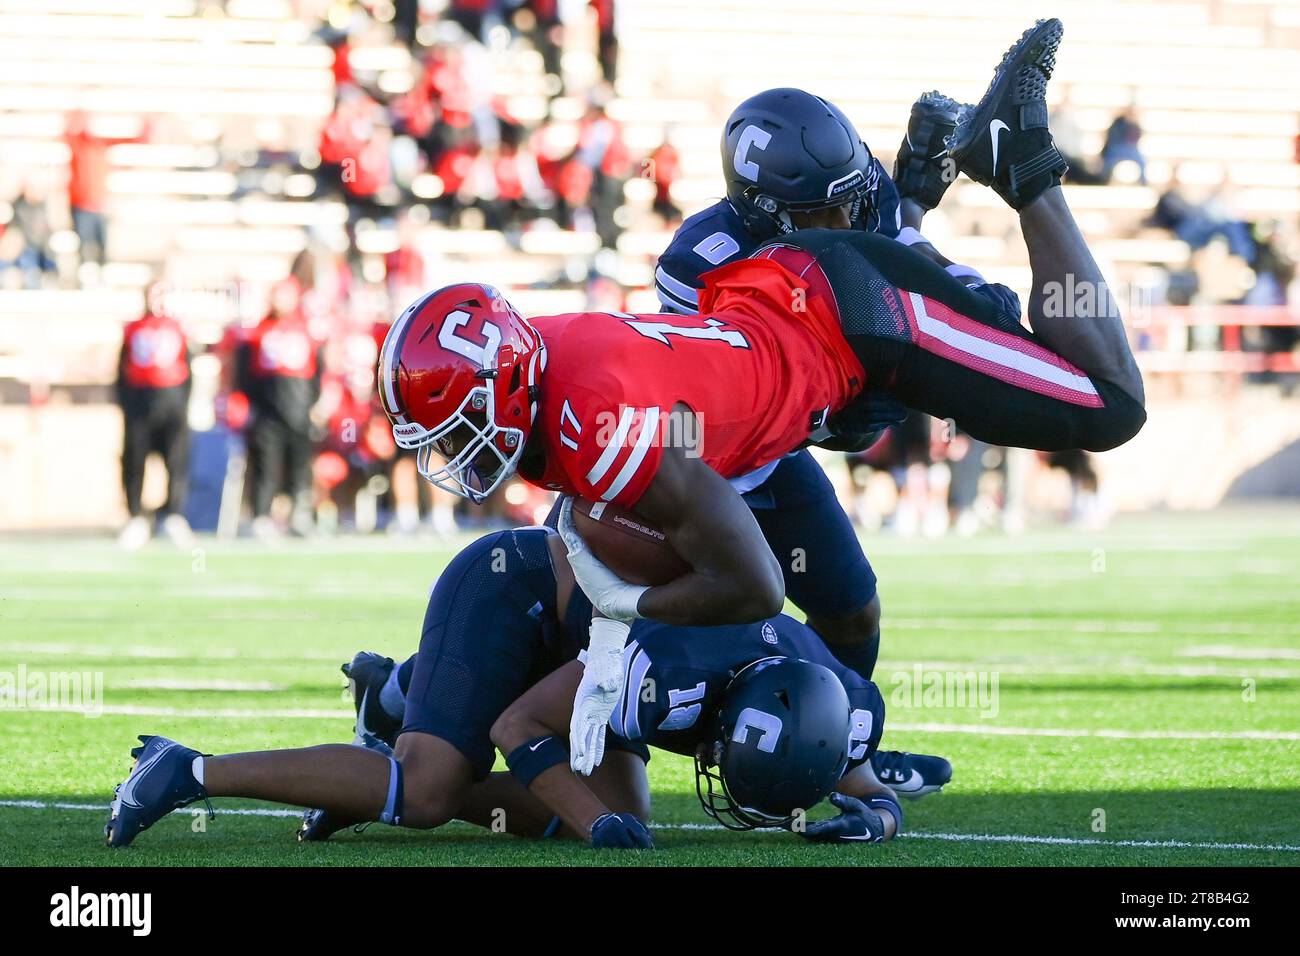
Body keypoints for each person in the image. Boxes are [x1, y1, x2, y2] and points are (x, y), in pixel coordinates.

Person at [376, 18, 1146, 776]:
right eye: (825, 209)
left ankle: (845, 751)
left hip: (759, 450)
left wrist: (913, 209)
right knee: (595, 624)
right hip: (709, 466)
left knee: (850, 607)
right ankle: (411, 695)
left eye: (855, 195)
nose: (846, 213)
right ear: (767, 213)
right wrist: (866, 390)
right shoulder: (699, 263)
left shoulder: (839, 212)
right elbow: (751, 390)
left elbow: (875, 262)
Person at [105, 528, 901, 850]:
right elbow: (523, 724)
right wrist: (595, 830)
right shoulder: (663, 672)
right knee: (423, 792)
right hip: (513, 591)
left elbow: (857, 776)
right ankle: (189, 769)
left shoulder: (831, 694)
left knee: (625, 802)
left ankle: (395, 697)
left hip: (588, 636)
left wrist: (878, 818)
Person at [236, 279, 325, 538]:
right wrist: (252, 405)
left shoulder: (305, 330)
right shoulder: (258, 332)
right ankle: (262, 516)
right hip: (267, 413)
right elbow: (245, 374)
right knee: (267, 465)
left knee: (300, 465)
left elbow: (317, 373)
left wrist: (313, 404)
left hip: (299, 411)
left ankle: (300, 513)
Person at [115, 282, 194, 550]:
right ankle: (136, 516)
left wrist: (183, 405)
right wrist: (126, 404)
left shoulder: (179, 329)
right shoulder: (133, 329)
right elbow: (121, 370)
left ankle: (172, 515)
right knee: (135, 462)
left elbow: (188, 370)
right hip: (140, 407)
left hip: (172, 408)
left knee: (176, 462)